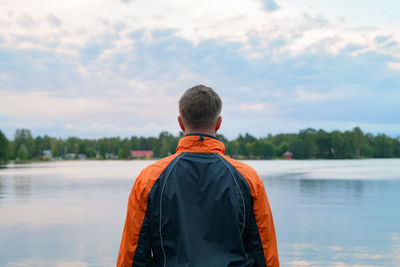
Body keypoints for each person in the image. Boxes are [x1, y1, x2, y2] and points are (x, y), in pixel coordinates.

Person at [117, 85, 279, 267]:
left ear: (180, 122)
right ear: (218, 123)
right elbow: (265, 254)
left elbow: (132, 256)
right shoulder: (247, 179)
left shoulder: (150, 179)